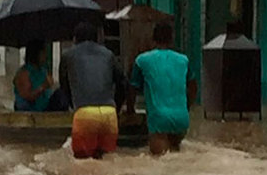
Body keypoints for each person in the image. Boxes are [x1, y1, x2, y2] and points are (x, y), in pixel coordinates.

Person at [59, 22, 126, 159]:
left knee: (83, 166)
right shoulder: (109, 54)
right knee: (106, 162)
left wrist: (74, 106)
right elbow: (123, 83)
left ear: (75, 39)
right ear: (97, 39)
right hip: (109, 114)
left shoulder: (67, 55)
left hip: (84, 113)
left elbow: (64, 86)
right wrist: (116, 108)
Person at [129, 22, 196, 155]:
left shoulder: (142, 60)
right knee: (176, 162)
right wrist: (185, 107)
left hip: (158, 119)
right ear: (171, 39)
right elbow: (193, 87)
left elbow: (132, 88)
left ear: (153, 39)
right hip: (181, 119)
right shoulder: (184, 60)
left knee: (160, 163)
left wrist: (130, 111)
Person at [13, 40, 68, 112]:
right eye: (43, 53)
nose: (45, 56)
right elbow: (27, 96)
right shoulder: (24, 73)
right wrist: (43, 87)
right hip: (30, 109)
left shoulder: (43, 70)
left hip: (45, 107)